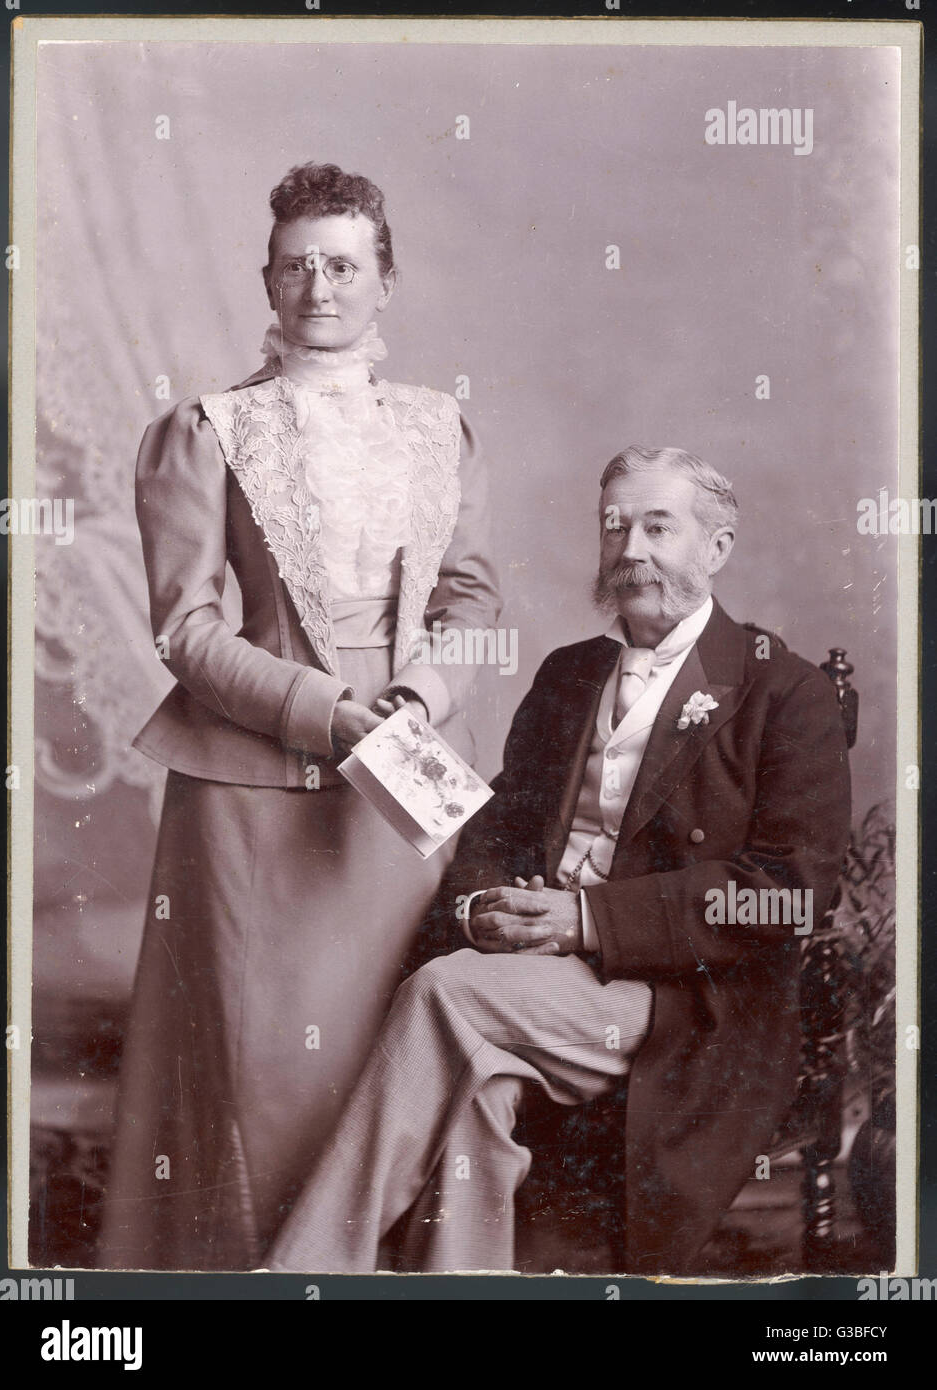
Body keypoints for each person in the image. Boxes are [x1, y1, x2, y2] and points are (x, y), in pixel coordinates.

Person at [264, 445, 852, 1276]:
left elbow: (789, 898)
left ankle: (303, 1274)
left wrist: (584, 921)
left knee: (444, 991)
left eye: (659, 526)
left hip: (687, 999)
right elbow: (499, 829)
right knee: (476, 1094)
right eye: (616, 527)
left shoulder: (782, 691)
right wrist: (482, 913)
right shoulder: (570, 673)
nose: (632, 550)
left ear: (717, 548)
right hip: (535, 980)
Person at [98, 162, 501, 1270]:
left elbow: (472, 595)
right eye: (295, 266)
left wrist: (422, 695)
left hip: (404, 787)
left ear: (386, 281)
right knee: (263, 1074)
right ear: (267, 281)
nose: (318, 286)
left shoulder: (438, 426)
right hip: (252, 789)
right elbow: (186, 632)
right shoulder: (205, 429)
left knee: (395, 1055)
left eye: (343, 264)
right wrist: (329, 713)